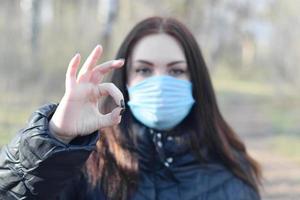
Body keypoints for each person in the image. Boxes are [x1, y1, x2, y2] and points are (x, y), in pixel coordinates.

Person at [0, 16, 262, 200]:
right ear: (125, 80)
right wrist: (57, 137)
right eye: (144, 70)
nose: (159, 82)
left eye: (176, 70)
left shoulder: (233, 175)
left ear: (195, 81)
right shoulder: (84, 164)